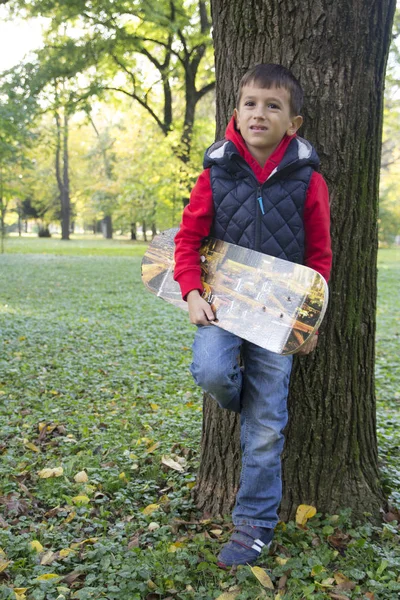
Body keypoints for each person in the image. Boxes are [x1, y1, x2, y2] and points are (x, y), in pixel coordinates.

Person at [173, 63, 332, 569]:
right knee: (212, 371)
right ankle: (255, 407)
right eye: (251, 104)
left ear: (293, 123)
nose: (259, 113)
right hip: (220, 310)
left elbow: (320, 260)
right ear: (236, 113)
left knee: (267, 427)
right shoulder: (215, 173)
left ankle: (254, 525)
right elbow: (187, 241)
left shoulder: (309, 182)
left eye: (273, 106)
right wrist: (191, 293)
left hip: (277, 320)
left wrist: (307, 324)